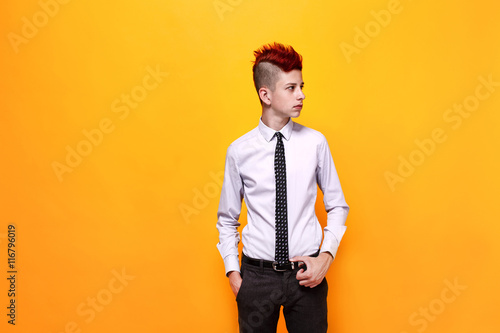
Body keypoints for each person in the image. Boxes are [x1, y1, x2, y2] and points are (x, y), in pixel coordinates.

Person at [216, 42, 349, 333]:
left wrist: (325, 257)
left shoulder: (316, 143)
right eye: (290, 88)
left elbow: (337, 205)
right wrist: (233, 273)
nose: (301, 95)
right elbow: (227, 218)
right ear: (266, 94)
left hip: (306, 275)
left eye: (301, 86)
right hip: (256, 278)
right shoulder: (239, 151)